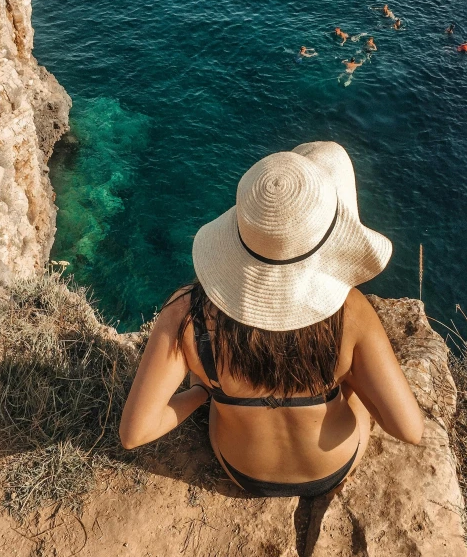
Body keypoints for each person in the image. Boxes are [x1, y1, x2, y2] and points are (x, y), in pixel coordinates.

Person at [119, 142, 424, 498]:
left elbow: (134, 433)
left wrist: (203, 391)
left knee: (209, 375)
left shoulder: (187, 312)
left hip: (243, 471)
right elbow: (409, 429)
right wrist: (352, 382)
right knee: (351, 385)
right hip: (333, 467)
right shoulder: (352, 312)